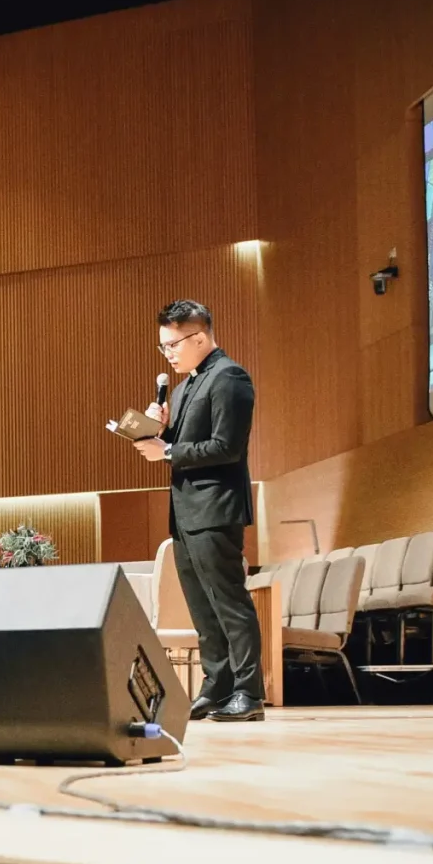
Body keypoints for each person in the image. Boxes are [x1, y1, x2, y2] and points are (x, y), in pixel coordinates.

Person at [133, 298, 265, 721]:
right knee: (201, 606)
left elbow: (227, 448)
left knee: (229, 602)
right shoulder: (190, 382)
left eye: (172, 344)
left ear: (201, 337)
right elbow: (187, 443)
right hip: (188, 510)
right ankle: (218, 685)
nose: (168, 353)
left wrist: (167, 448)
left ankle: (249, 691)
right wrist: (161, 427)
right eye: (163, 347)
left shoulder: (229, 378)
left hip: (215, 509)